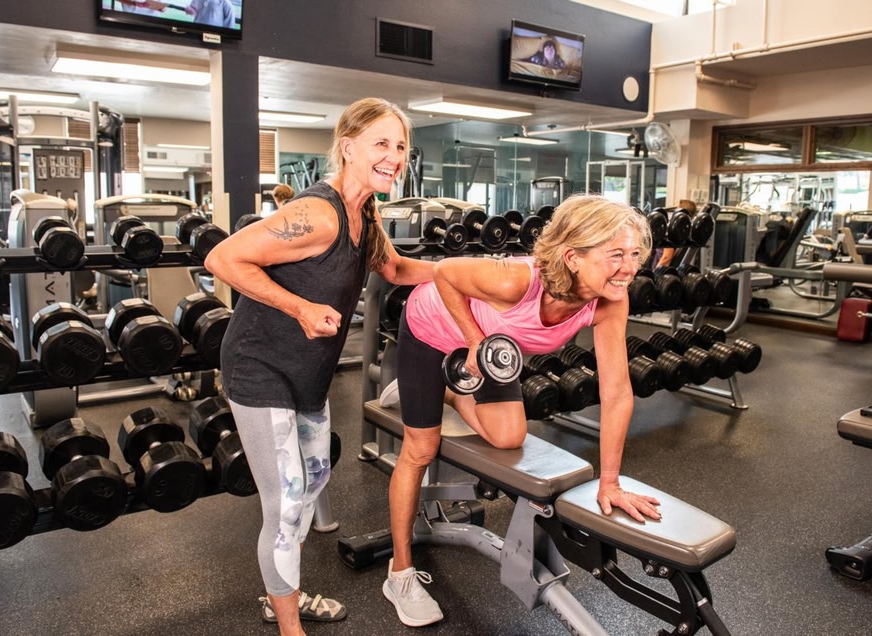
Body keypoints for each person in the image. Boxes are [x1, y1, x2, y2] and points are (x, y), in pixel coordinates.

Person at [204, 97, 434, 636]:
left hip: (307, 372)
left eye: (401, 146)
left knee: (311, 485)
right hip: (260, 367)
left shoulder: (365, 213)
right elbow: (222, 258)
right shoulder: (318, 213)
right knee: (285, 504)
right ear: (347, 147)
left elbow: (396, 269)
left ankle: (281, 595)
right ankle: (290, 627)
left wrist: (474, 272)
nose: (395, 156)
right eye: (381, 143)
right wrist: (300, 307)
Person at [379, 195, 663, 628]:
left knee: (509, 436)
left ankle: (447, 390)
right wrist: (473, 341)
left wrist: (610, 482)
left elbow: (618, 391)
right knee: (422, 447)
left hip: (491, 344)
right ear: (573, 257)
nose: (629, 267)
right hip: (432, 328)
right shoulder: (517, 280)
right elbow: (444, 273)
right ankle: (399, 574)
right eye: (616, 255)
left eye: (635, 254)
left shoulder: (610, 299)